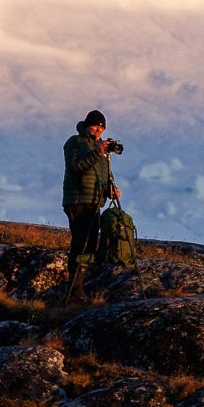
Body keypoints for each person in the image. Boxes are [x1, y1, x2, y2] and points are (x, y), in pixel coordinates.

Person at [61, 110, 121, 299]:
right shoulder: (75, 142)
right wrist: (97, 152)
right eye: (95, 126)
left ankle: (79, 287)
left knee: (91, 245)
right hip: (78, 200)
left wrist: (110, 191)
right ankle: (74, 291)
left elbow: (101, 177)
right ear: (87, 125)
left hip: (94, 202)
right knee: (80, 243)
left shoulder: (98, 148)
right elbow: (77, 167)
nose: (98, 131)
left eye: (101, 128)